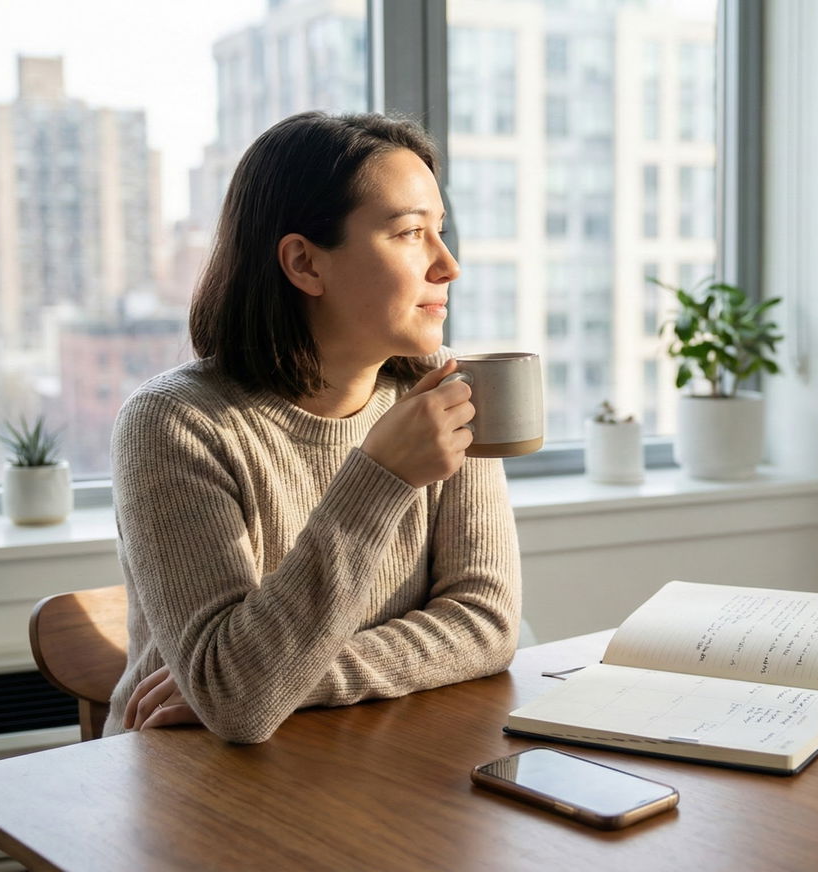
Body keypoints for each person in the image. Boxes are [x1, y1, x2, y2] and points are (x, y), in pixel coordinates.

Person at [104, 111, 521, 744]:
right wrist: (381, 478)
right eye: (410, 233)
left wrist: (294, 680)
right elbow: (239, 705)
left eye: (440, 230)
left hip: (370, 759)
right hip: (191, 779)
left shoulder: (442, 392)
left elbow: (485, 625)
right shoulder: (176, 423)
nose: (447, 265)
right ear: (304, 263)